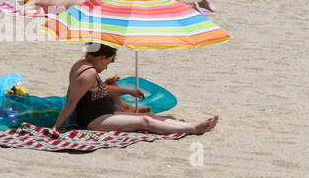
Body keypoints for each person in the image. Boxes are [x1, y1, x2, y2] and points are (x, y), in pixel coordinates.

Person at [50, 44, 218, 137]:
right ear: (101, 57)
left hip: (105, 114)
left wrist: (127, 91)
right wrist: (57, 127)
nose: (106, 66)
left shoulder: (81, 64)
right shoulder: (89, 73)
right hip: (94, 121)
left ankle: (189, 124)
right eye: (107, 62)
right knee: (144, 121)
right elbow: (71, 101)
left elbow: (99, 91)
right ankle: (193, 129)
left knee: (150, 116)